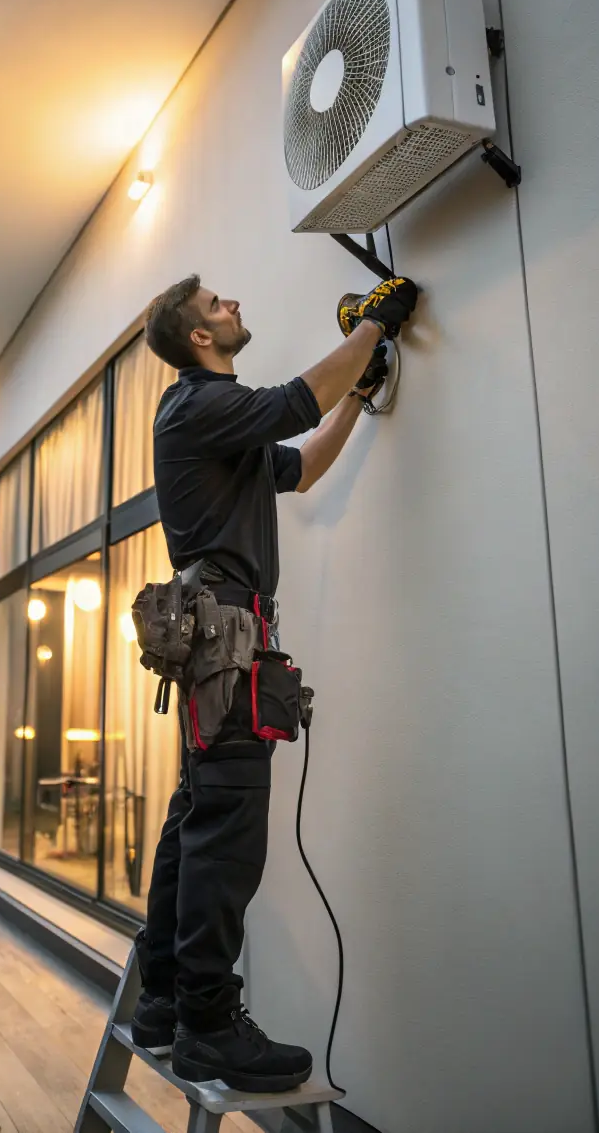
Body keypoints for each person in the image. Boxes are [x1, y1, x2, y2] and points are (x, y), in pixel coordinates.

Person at [131, 272, 418, 1093]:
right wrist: (375, 323)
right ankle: (211, 1027)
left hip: (225, 639)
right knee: (225, 832)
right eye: (219, 305)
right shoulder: (197, 405)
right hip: (227, 639)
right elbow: (298, 397)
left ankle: (163, 1004)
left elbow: (306, 463)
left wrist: (359, 396)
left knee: (198, 820)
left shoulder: (224, 429)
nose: (234, 306)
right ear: (198, 338)